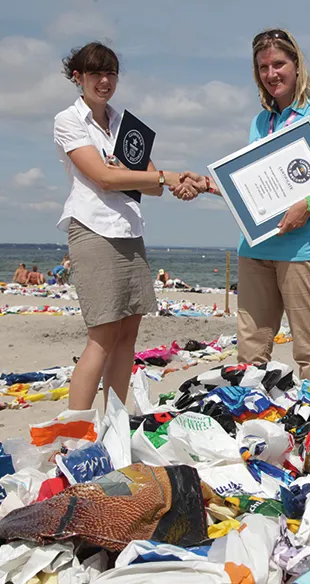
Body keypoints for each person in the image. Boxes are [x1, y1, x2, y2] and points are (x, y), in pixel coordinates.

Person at [172, 29, 310, 388]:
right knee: (249, 354)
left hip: (305, 251)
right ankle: (252, 423)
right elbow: (256, 194)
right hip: (255, 249)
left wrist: (307, 205)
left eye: (279, 64)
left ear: (296, 65)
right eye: (263, 67)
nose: (271, 73)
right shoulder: (261, 121)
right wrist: (207, 185)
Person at [54, 42, 195, 411]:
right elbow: (102, 177)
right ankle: (77, 434)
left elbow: (152, 186)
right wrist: (163, 176)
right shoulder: (68, 120)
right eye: (96, 73)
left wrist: (172, 181)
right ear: (78, 77)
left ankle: (113, 423)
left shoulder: (123, 124)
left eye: (111, 72)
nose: (104, 81)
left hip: (130, 232)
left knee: (127, 334)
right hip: (94, 230)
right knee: (101, 335)